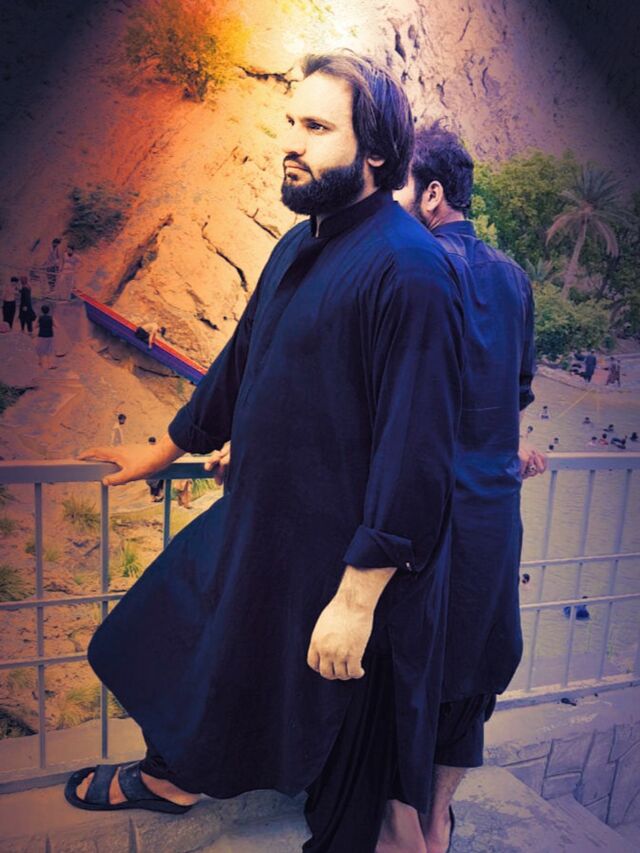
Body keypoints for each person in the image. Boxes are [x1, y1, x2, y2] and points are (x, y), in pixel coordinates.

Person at [66, 51, 465, 852]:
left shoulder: (411, 270)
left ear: (374, 151)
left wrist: (357, 597)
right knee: (168, 624)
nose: (291, 141)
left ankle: (175, 778)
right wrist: (165, 448)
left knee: (289, 708)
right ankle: (177, 772)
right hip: (258, 521)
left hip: (328, 553)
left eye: (316, 127)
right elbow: (241, 361)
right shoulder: (296, 244)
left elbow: (416, 450)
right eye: (291, 122)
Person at [390, 121, 542, 852]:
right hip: (493, 511)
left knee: (401, 663)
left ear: (432, 194)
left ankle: (395, 822)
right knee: (473, 670)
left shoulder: (415, 269)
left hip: (424, 510)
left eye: (398, 188)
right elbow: (515, 393)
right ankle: (437, 820)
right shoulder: (514, 279)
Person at [35, 304, 55, 369]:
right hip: (49, 335)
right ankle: (50, 365)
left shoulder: (40, 318)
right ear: (48, 311)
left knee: (41, 349)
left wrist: (40, 325)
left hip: (41, 335)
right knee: (49, 350)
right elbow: (57, 326)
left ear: (42, 311)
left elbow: (35, 326)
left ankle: (40, 363)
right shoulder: (51, 318)